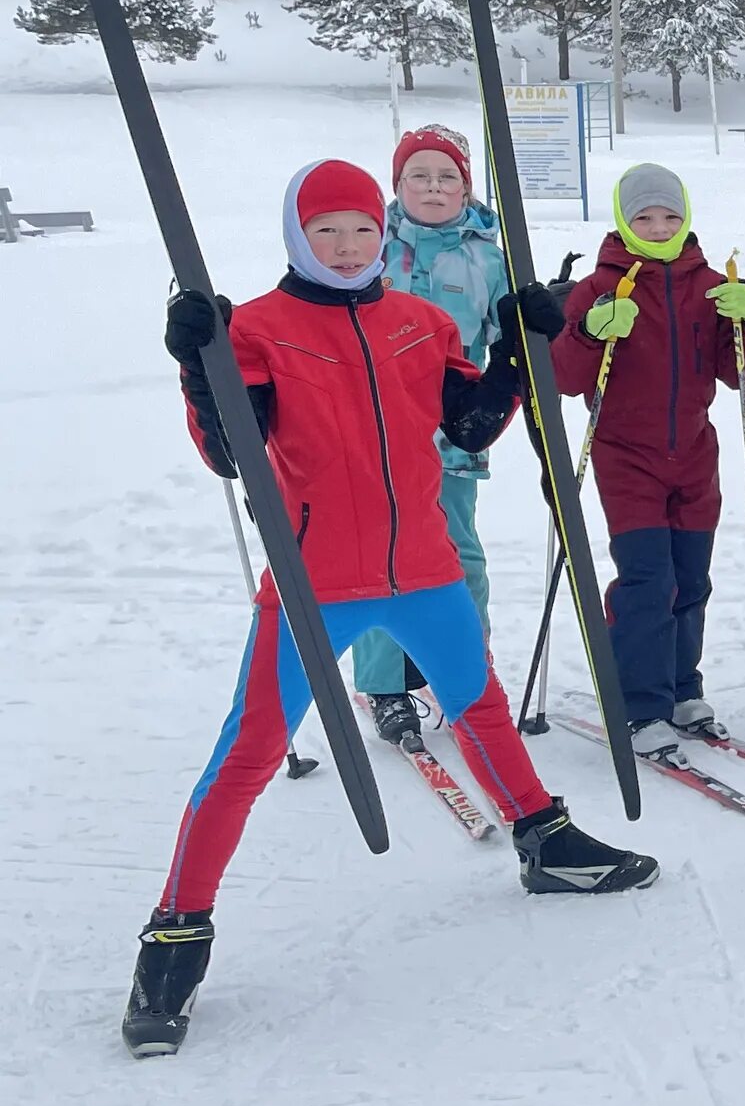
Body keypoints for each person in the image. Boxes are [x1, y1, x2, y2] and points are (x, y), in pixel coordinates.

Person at [129, 159, 657, 1057]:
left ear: (383, 235)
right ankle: (176, 933)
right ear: (299, 235)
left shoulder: (418, 322)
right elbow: (232, 452)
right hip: (312, 580)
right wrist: (198, 364)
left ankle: (546, 842)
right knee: (249, 751)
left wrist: (521, 350)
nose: (346, 247)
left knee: (480, 707)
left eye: (362, 230)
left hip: (423, 565)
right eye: (326, 230)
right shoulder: (252, 327)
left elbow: (469, 426)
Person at [551, 165, 745, 755]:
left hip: (696, 455)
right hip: (625, 456)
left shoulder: (711, 285)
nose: (658, 227)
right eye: (644, 217)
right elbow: (564, 378)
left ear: (687, 218)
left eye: (669, 216)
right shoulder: (601, 285)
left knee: (691, 580)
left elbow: (742, 373)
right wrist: (589, 330)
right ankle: (640, 704)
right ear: (624, 220)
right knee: (648, 581)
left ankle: (682, 689)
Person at [352, 126, 514, 750]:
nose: (434, 187)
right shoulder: (368, 245)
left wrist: (538, 321)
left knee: (459, 556)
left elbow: (508, 337)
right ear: (397, 185)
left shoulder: (489, 256)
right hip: (371, 436)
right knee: (378, 559)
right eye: (419, 175)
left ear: (466, 185)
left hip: (452, 432)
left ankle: (464, 670)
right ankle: (385, 685)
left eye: (447, 176)